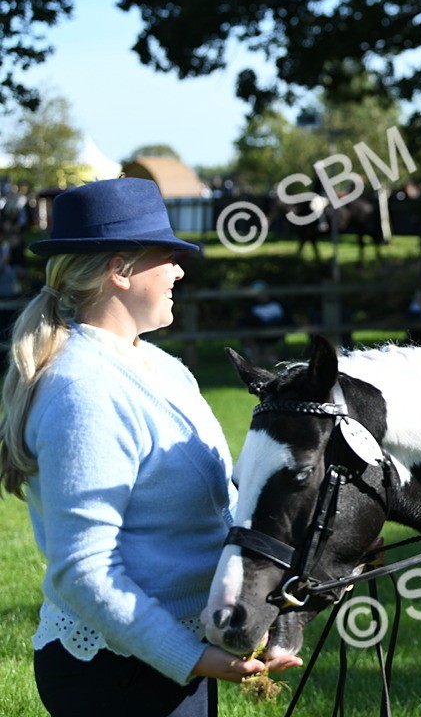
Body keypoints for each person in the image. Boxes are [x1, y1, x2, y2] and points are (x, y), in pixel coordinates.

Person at [0, 178, 301, 717]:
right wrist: (190, 656)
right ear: (120, 270)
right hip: (114, 672)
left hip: (169, 658)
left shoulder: (163, 366)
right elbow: (82, 568)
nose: (180, 272)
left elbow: (215, 511)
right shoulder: (83, 389)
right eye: (168, 257)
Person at [238, 279, 293, 366]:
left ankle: (266, 356)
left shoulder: (277, 304)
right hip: (257, 332)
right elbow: (244, 322)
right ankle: (256, 357)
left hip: (275, 330)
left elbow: (287, 320)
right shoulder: (252, 307)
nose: (262, 295)